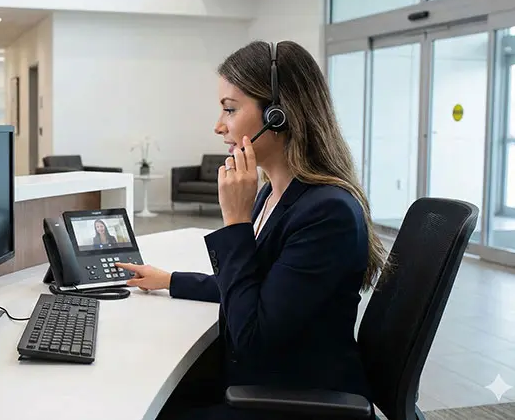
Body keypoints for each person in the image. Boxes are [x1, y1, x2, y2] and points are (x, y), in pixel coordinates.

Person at [115, 41, 388, 419]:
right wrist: (170, 280)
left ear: (279, 115)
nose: (218, 125)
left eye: (230, 109)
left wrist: (237, 222)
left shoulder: (328, 212)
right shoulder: (274, 194)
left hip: (293, 401)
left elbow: (252, 338)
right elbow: (258, 287)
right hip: (267, 380)